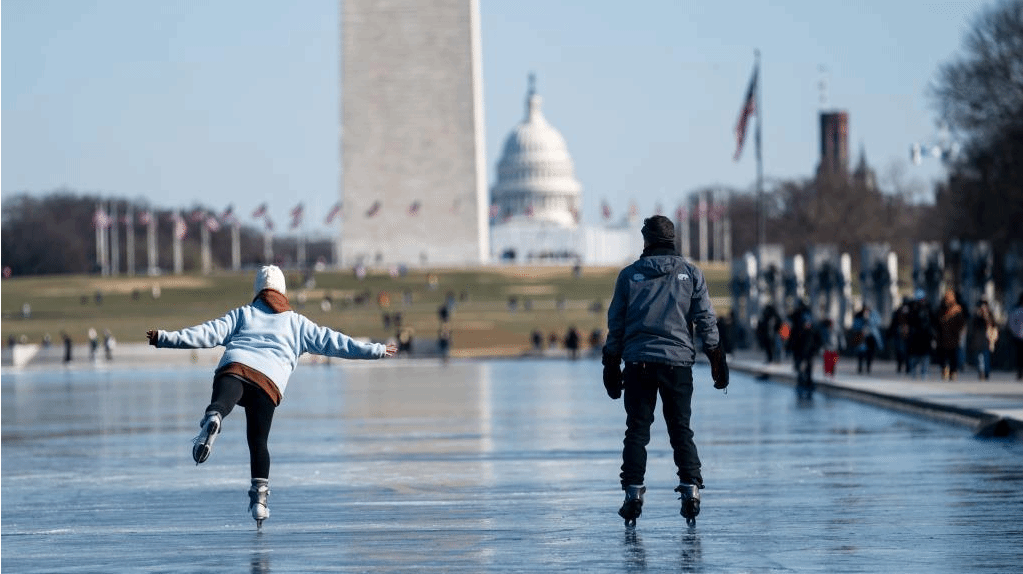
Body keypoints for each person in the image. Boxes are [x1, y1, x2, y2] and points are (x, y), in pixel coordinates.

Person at [146, 265, 396, 527]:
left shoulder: (244, 314)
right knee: (258, 441)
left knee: (225, 395)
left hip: (236, 367)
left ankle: (215, 414)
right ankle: (260, 502)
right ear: (283, 291)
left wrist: (163, 337)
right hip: (268, 383)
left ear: (257, 291)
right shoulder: (298, 323)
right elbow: (335, 342)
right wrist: (376, 350)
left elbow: (205, 333)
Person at [602, 215, 728, 527]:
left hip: (638, 363)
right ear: (672, 240)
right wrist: (716, 359)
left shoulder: (629, 276)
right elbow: (706, 320)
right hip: (677, 363)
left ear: (646, 241)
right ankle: (691, 488)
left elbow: (616, 325)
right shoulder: (691, 273)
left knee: (637, 431)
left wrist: (610, 364)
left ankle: (632, 492)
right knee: (680, 430)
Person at [787, 301, 822, 398]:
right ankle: (805, 381)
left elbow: (792, 336)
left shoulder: (800, 322)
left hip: (805, 347)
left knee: (804, 365)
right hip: (804, 347)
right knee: (805, 365)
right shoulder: (802, 322)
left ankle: (805, 381)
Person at [936, 289, 967, 381]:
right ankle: (946, 371)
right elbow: (937, 323)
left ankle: (952, 372)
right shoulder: (941, 309)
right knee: (945, 356)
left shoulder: (957, 309)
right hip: (944, 338)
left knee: (952, 356)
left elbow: (961, 323)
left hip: (952, 338)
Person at [906, 289, 935, 379]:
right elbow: (908, 321)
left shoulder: (928, 308)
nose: (920, 302)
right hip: (915, 337)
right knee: (914, 356)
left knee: (925, 356)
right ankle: (913, 371)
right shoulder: (911, 308)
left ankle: (924, 372)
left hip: (925, 336)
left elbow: (933, 320)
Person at [967, 300, 997, 380]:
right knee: (979, 358)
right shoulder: (976, 316)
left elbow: (993, 325)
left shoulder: (989, 315)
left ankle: (986, 372)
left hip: (986, 340)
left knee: (986, 357)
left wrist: (986, 316)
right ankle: (981, 372)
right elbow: (972, 327)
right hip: (977, 340)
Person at [1008, 293, 1023, 380]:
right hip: (1018, 337)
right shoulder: (1017, 311)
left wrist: (1015, 332)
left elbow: (1011, 324)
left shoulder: (1015, 311)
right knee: (1019, 355)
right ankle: (1020, 371)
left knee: (1019, 356)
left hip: (1017, 336)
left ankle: (1019, 372)